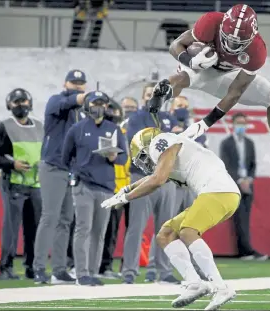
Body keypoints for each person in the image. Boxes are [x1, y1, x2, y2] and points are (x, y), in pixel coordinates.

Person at [147, 3, 270, 179]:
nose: (231, 45)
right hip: (200, 68)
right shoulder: (210, 22)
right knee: (181, 78)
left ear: (252, 37)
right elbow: (175, 45)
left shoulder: (257, 50)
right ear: (222, 26)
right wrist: (190, 61)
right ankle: (161, 94)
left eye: (238, 42)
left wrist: (205, 123)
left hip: (229, 76)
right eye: (228, 38)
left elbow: (235, 92)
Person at [101, 127, 240, 310]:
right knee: (166, 234)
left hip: (219, 190)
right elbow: (153, 177)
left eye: (144, 156)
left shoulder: (163, 142)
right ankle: (194, 283)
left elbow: (157, 180)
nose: (146, 161)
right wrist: (126, 189)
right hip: (218, 193)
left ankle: (221, 287)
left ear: (150, 146)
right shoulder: (171, 153)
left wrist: (127, 198)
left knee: (188, 231)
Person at [62, 91, 128, 286]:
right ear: (87, 106)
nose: (98, 107)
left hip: (106, 187)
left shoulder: (114, 129)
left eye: (102, 103)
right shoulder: (77, 129)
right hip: (84, 185)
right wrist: (77, 173)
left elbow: (123, 157)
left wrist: (114, 158)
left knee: (99, 232)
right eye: (94, 103)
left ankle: (93, 272)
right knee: (83, 228)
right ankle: (81, 273)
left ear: (107, 107)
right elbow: (65, 158)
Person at [122, 83, 182, 285]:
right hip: (143, 178)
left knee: (166, 228)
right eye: (149, 95)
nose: (152, 98)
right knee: (136, 227)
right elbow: (137, 145)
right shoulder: (136, 118)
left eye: (155, 95)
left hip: (167, 179)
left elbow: (180, 146)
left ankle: (164, 271)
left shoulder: (169, 118)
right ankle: (129, 271)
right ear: (143, 98)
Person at [33, 69, 87, 284]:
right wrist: (78, 98)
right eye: (73, 82)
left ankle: (58, 268)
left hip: (69, 170)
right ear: (65, 84)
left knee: (65, 220)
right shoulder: (56, 101)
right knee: (50, 216)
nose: (77, 85)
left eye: (80, 83)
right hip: (53, 167)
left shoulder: (79, 113)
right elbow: (63, 104)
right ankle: (38, 268)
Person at [0, 88, 43, 280]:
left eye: (24, 101)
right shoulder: (3, 127)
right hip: (13, 183)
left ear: (30, 103)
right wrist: (12, 164)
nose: (21, 105)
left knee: (34, 227)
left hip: (35, 184)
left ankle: (32, 267)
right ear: (9, 105)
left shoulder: (40, 127)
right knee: (11, 227)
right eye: (16, 102)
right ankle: (6, 268)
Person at [220, 112, 268, 261]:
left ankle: (247, 249)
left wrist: (249, 179)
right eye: (239, 123)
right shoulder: (226, 143)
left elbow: (253, 164)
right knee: (239, 218)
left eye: (244, 123)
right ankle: (245, 251)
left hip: (248, 185)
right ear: (233, 124)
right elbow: (226, 165)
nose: (241, 126)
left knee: (245, 218)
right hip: (234, 185)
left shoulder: (249, 143)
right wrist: (239, 180)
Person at [97, 98, 130, 279]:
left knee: (114, 231)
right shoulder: (99, 133)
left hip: (123, 188)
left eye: (114, 111)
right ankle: (98, 265)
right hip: (105, 187)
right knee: (101, 230)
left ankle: (110, 265)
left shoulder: (125, 134)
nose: (111, 114)